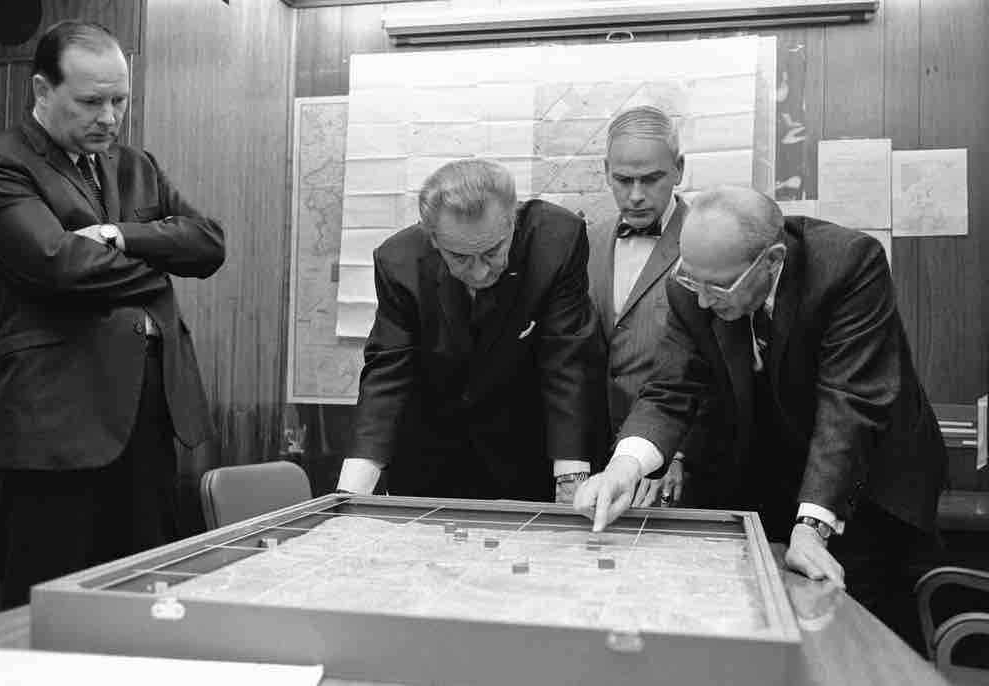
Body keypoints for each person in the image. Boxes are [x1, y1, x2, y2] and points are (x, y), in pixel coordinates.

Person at [574, 186, 946, 629]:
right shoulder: (692, 287)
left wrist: (811, 527)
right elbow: (670, 389)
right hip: (770, 470)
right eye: (693, 281)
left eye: (718, 287)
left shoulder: (847, 264)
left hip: (866, 478)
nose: (704, 301)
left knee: (860, 626)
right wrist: (623, 469)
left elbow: (848, 403)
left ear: (771, 261)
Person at [0, 21, 224, 607]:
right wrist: (159, 260)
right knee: (47, 612)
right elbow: (58, 263)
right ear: (41, 90)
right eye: (90, 101)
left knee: (139, 604)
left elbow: (208, 243)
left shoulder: (138, 166)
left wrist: (117, 235)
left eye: (120, 99)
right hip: (52, 431)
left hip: (148, 423)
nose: (109, 116)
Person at [338, 158, 605, 502]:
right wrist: (350, 493)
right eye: (460, 257)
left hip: (528, 450)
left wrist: (571, 478)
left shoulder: (556, 241)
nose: (479, 272)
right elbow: (388, 371)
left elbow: (567, 359)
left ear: (513, 223)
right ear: (432, 238)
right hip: (432, 457)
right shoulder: (398, 262)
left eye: (493, 252)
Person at [588, 105, 713, 509]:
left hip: (676, 469)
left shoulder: (711, 243)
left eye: (652, 179)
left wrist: (682, 454)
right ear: (606, 171)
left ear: (678, 169)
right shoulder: (586, 242)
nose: (636, 195)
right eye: (623, 180)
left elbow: (719, 367)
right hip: (596, 463)